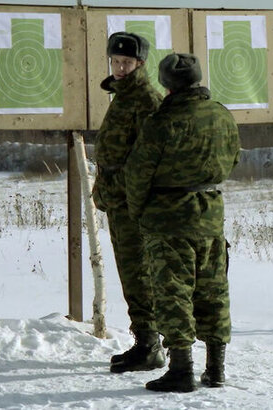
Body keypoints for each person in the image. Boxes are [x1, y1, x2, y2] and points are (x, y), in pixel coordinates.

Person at [124, 53, 241, 392]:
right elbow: (233, 158)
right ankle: (216, 368)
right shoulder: (221, 114)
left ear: (166, 84)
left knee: (173, 293)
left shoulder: (162, 121)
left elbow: (138, 174)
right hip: (210, 213)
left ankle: (181, 369)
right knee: (213, 291)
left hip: (167, 219)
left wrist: (140, 212)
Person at [91, 32, 165, 373]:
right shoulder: (122, 96)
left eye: (126, 62)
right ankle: (144, 341)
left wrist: (126, 192)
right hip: (119, 200)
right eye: (116, 61)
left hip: (134, 203)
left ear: (140, 63)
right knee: (129, 272)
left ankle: (151, 344)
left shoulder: (146, 100)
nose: (119, 68)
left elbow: (147, 159)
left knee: (139, 273)